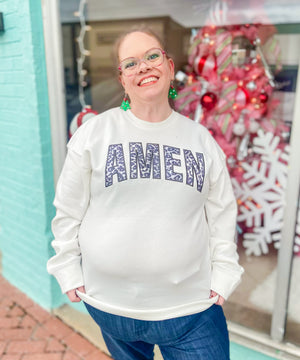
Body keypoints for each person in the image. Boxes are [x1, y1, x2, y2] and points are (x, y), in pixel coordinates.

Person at [47, 26, 244, 360]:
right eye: (131, 63)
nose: (144, 67)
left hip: (191, 310)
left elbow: (222, 213)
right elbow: (68, 210)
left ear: (168, 66)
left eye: (152, 56)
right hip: (109, 307)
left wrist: (225, 272)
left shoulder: (201, 140)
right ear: (122, 79)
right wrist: (66, 268)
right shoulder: (95, 133)